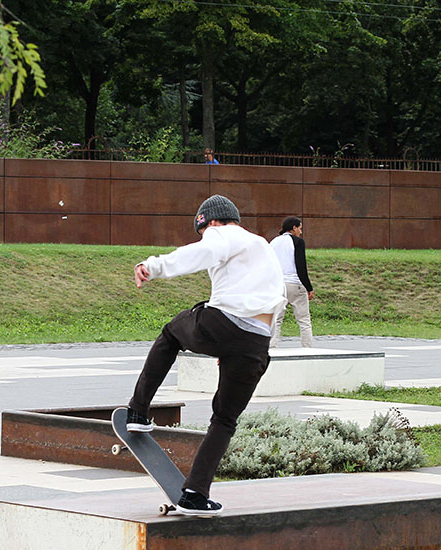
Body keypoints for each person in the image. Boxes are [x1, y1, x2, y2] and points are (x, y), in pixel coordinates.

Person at [126, 194, 285, 516]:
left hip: (224, 323)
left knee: (171, 334)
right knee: (225, 420)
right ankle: (195, 495)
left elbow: (201, 252)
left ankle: (137, 412)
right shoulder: (262, 247)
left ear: (210, 222)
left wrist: (152, 267)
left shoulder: (222, 232)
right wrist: (232, 349)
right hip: (256, 343)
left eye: (202, 230)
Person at [269, 216, 316, 348]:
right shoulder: (298, 242)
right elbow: (301, 266)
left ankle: (271, 349)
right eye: (300, 228)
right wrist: (309, 287)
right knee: (304, 320)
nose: (300, 232)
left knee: (276, 320)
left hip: (277, 286)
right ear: (294, 228)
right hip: (294, 284)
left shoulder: (273, 242)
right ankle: (307, 349)